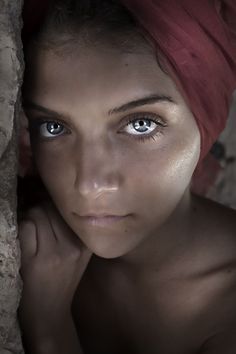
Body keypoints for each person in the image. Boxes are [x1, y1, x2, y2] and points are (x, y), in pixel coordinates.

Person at [18, 0, 236, 353]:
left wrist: (48, 328)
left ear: (205, 122)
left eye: (140, 124)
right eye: (54, 127)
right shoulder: (25, 245)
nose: (89, 184)